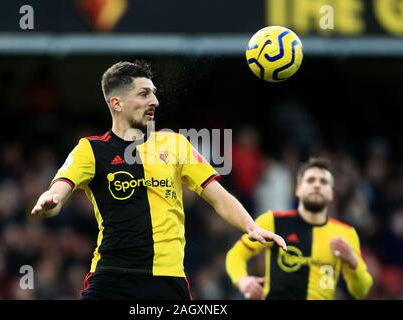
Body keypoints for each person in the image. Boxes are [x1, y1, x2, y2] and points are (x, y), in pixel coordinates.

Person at [30, 60, 286, 300]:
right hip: (111, 276)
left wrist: (250, 227)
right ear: (116, 103)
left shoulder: (175, 144)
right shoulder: (90, 149)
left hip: (168, 279)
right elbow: (58, 191)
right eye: (144, 94)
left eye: (154, 93)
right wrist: (50, 202)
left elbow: (218, 196)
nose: (155, 101)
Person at [226, 157, 373, 300]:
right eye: (310, 180)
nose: (317, 185)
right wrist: (242, 281)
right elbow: (235, 255)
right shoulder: (273, 221)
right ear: (298, 189)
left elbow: (361, 291)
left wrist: (353, 262)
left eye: (323, 182)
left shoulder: (345, 233)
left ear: (331, 194)